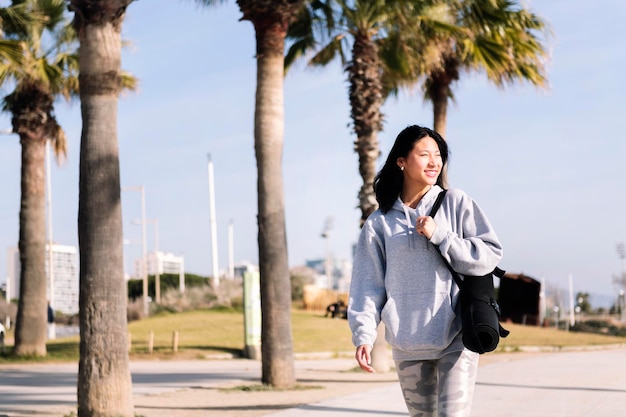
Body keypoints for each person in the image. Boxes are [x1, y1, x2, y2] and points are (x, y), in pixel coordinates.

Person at [348, 124, 503, 417]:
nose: (434, 162)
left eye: (438, 155)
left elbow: (490, 254)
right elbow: (368, 286)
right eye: (424, 154)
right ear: (401, 161)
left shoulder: (455, 202)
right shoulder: (379, 223)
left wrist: (442, 236)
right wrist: (364, 334)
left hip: (456, 336)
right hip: (408, 344)